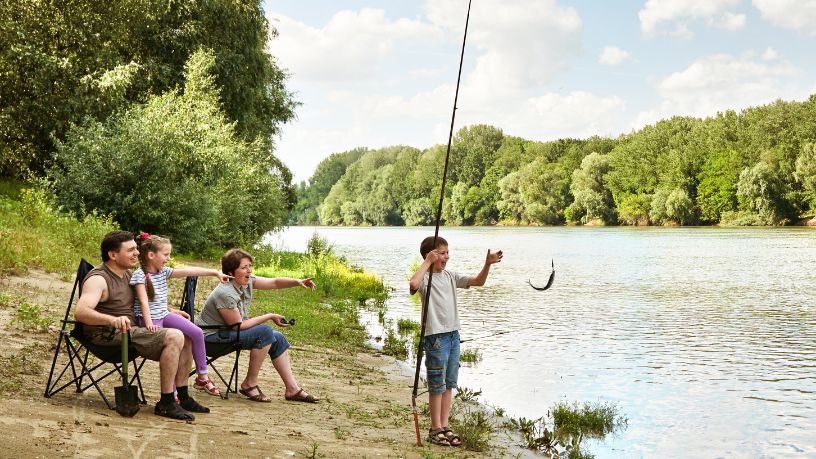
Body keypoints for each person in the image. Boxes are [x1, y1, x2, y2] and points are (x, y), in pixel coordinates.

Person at [74, 230, 209, 421]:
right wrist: (112, 320)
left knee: (186, 336)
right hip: (107, 334)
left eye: (136, 249)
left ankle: (183, 395)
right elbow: (81, 312)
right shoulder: (99, 279)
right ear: (113, 255)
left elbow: (143, 301)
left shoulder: (128, 274)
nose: (137, 253)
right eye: (130, 250)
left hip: (131, 330)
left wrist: (169, 310)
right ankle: (166, 402)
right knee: (175, 336)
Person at [408, 236, 503, 447]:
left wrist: (487, 264)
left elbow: (478, 281)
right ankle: (435, 429)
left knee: (449, 383)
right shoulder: (425, 279)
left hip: (453, 336)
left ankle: (445, 425)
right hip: (435, 338)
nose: (446, 257)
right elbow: (413, 284)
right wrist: (427, 263)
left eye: (447, 252)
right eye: (441, 253)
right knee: (436, 385)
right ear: (430, 256)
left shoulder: (450, 276)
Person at [196, 248, 319, 403]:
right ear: (231, 272)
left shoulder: (245, 282)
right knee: (265, 332)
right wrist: (268, 316)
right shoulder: (225, 293)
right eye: (244, 267)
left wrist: (297, 282)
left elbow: (274, 282)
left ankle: (292, 389)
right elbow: (238, 326)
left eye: (250, 266)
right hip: (209, 340)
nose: (249, 270)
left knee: (278, 337)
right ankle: (249, 384)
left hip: (226, 333)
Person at [131, 232, 232, 397]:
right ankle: (173, 393)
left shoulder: (163, 272)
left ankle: (202, 376)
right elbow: (143, 302)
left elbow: (189, 270)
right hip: (150, 320)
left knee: (196, 332)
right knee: (173, 349)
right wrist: (149, 323)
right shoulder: (140, 275)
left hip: (164, 315)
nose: (168, 258)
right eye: (166, 254)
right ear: (151, 255)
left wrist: (215, 273)